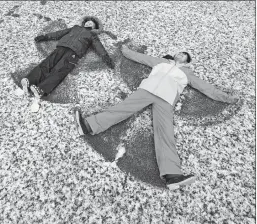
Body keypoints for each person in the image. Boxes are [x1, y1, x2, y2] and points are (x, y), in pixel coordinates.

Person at [74, 44, 239, 190]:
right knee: (122, 109)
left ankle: (172, 176)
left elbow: (207, 88)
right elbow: (141, 58)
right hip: (147, 91)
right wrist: (125, 49)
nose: (180, 54)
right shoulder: (161, 62)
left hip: (166, 100)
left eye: (184, 54)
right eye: (179, 52)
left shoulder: (188, 74)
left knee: (165, 132)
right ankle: (89, 126)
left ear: (187, 61)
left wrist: (227, 98)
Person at [15, 16, 115, 100]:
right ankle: (30, 80)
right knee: (47, 64)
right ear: (84, 23)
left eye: (92, 23)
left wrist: (106, 58)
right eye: (88, 21)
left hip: (73, 54)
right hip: (61, 48)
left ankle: (41, 89)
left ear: (94, 27)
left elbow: (99, 47)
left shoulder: (92, 35)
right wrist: (45, 36)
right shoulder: (75, 28)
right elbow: (60, 33)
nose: (89, 23)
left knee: (59, 70)